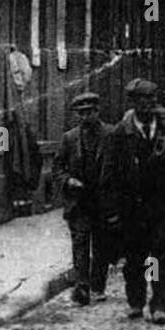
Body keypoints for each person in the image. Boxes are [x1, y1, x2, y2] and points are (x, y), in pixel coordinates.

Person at [100, 78, 165, 325]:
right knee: (135, 259)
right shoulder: (121, 133)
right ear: (133, 103)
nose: (148, 105)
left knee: (160, 257)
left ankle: (159, 303)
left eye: (152, 99)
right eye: (142, 100)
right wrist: (112, 211)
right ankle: (136, 301)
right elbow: (109, 174)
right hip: (132, 208)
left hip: (162, 206)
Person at [55, 93, 114, 305]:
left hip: (103, 201)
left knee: (101, 246)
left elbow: (121, 167)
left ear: (98, 111)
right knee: (80, 244)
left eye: (89, 112)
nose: (85, 117)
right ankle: (82, 288)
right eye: (81, 113)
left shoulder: (111, 134)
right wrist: (68, 180)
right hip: (79, 202)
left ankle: (98, 286)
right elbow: (58, 167)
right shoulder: (69, 138)